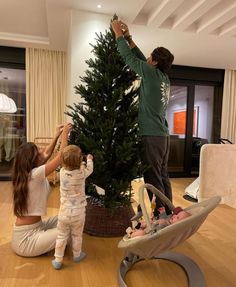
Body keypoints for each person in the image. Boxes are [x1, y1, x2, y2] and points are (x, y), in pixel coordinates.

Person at [111, 20, 174, 216]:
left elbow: (129, 58)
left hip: (151, 136)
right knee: (162, 175)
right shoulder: (162, 77)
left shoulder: (151, 73)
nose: (147, 57)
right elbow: (140, 58)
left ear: (154, 62)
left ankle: (161, 215)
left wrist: (118, 34)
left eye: (150, 56)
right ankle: (171, 212)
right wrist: (129, 36)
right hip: (162, 136)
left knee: (153, 178)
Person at [11, 122, 72, 257]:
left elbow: (46, 153)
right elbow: (61, 158)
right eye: (37, 153)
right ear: (32, 161)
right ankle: (56, 244)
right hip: (26, 240)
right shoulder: (34, 175)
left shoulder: (29, 172)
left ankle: (52, 240)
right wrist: (65, 135)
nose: (41, 152)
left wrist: (57, 135)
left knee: (66, 218)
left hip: (36, 228)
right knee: (67, 231)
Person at [51, 145, 93, 270]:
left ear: (63, 161)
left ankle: (58, 259)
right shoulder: (81, 173)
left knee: (61, 236)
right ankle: (77, 255)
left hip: (64, 213)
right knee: (77, 235)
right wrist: (89, 160)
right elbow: (89, 169)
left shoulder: (62, 173)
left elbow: (70, 167)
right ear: (80, 160)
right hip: (79, 213)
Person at [126, 208, 191, 239]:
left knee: (141, 233)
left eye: (177, 217)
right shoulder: (170, 218)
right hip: (150, 226)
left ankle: (131, 233)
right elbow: (174, 211)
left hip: (148, 234)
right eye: (176, 215)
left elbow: (159, 233)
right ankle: (136, 225)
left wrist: (161, 224)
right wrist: (162, 211)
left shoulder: (170, 228)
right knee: (145, 222)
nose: (174, 216)